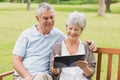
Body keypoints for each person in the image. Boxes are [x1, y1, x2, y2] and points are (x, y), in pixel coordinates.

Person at [13, 2, 96, 80]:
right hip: (23, 76)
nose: (50, 21)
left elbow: (72, 38)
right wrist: (28, 76)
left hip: (44, 77)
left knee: (40, 77)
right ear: (37, 18)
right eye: (46, 18)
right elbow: (16, 60)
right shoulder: (26, 34)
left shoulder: (58, 35)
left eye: (51, 17)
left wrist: (91, 44)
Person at [50, 11, 96, 80]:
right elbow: (54, 73)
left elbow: (90, 75)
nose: (72, 32)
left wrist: (84, 67)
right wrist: (55, 67)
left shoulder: (87, 48)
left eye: (76, 30)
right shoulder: (57, 48)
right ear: (66, 28)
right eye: (70, 28)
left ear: (81, 31)